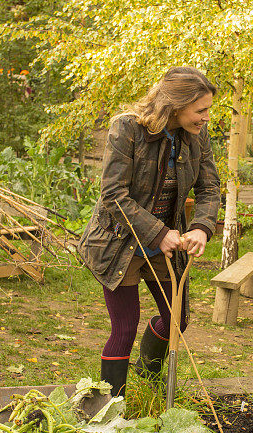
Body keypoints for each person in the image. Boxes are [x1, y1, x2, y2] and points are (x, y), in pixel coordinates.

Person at [78, 66, 220, 398]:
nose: (206, 118)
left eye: (208, 110)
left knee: (177, 320)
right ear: (176, 103)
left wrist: (200, 227)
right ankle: (112, 409)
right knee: (125, 328)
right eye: (201, 110)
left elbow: (210, 189)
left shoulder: (197, 137)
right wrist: (158, 233)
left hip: (164, 247)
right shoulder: (127, 128)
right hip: (120, 243)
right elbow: (113, 195)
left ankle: (148, 377)